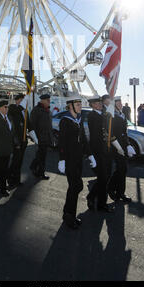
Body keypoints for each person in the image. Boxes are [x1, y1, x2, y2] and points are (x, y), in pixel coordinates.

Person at [57, 95, 90, 229]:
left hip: (78, 159)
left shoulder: (79, 120)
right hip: (69, 160)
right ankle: (69, 216)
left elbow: (83, 139)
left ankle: (67, 213)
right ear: (70, 106)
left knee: (77, 186)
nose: (80, 107)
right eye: (77, 105)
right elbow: (62, 142)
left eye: (80, 104)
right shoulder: (65, 121)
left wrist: (90, 154)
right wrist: (62, 159)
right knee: (74, 187)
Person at [86, 95, 115, 213]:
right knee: (103, 177)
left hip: (107, 150)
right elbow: (97, 134)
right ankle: (101, 204)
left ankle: (92, 196)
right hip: (98, 150)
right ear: (92, 105)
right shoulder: (92, 116)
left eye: (99, 103)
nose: (99, 105)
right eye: (96, 103)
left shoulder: (104, 114)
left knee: (106, 176)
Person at [108, 97, 136, 203]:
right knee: (121, 169)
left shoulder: (122, 114)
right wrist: (119, 148)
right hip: (116, 147)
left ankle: (113, 188)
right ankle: (118, 192)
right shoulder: (112, 116)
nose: (120, 105)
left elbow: (125, 133)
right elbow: (111, 134)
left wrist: (128, 145)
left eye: (121, 103)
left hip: (123, 146)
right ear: (114, 105)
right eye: (118, 103)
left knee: (122, 170)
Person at [7, 93, 31, 189]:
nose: (23, 103)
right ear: (17, 100)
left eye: (24, 101)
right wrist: (16, 142)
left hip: (23, 140)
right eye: (21, 100)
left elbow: (29, 124)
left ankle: (16, 180)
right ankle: (10, 179)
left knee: (20, 161)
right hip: (15, 140)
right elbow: (12, 127)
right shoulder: (12, 109)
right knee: (15, 161)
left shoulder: (25, 111)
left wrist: (34, 135)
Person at [29, 94, 53, 180]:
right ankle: (41, 173)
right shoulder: (36, 110)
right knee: (41, 156)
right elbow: (32, 125)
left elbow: (49, 126)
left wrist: (51, 138)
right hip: (40, 138)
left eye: (49, 100)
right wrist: (34, 138)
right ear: (42, 100)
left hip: (46, 137)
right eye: (47, 100)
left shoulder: (48, 110)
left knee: (41, 156)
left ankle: (34, 168)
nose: (49, 102)